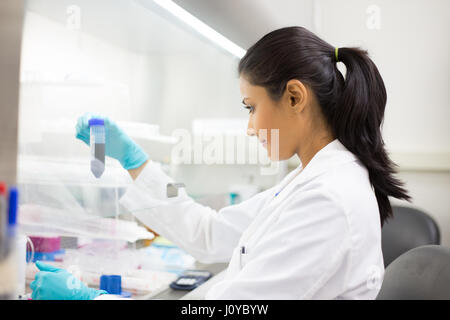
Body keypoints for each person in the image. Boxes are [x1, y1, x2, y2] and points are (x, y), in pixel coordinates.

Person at [30, 26, 410, 300]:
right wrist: (137, 163)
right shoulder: (311, 180)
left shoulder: (327, 199)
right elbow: (209, 232)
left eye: (252, 108)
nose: (249, 128)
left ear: (295, 97)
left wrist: (91, 300)